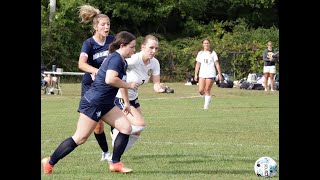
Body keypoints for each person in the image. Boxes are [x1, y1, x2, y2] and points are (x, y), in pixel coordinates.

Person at [41, 31, 139, 174]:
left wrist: (126, 103)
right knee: (80, 138)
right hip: (93, 103)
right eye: (132, 47)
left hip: (105, 104)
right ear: (123, 45)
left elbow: (119, 82)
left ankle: (116, 163)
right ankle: (49, 162)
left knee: (126, 128)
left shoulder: (121, 60)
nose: (134, 50)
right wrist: (129, 84)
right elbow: (110, 79)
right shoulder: (116, 59)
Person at [109, 35, 166, 156]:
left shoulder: (155, 63)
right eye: (151, 47)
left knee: (137, 132)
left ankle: (115, 156)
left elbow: (155, 85)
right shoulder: (133, 60)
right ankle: (116, 132)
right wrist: (126, 102)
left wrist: (160, 87)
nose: (154, 51)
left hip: (133, 98)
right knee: (139, 124)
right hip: (120, 97)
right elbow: (119, 76)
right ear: (143, 46)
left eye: (156, 48)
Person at [77, 4, 115, 161]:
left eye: (108, 24)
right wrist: (97, 72)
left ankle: (118, 142)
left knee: (119, 115)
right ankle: (105, 152)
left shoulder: (113, 41)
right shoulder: (89, 43)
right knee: (98, 125)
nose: (106, 27)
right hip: (91, 87)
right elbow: (81, 64)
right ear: (96, 27)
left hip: (109, 86)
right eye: (103, 25)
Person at [194, 38, 223, 109]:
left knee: (207, 89)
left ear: (209, 44)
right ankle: (208, 98)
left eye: (207, 43)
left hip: (210, 73)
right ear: (202, 44)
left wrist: (219, 74)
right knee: (201, 90)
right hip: (202, 74)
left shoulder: (213, 53)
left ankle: (206, 106)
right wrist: (195, 74)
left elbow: (217, 64)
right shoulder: (200, 53)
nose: (206, 44)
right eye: (205, 43)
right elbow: (198, 64)